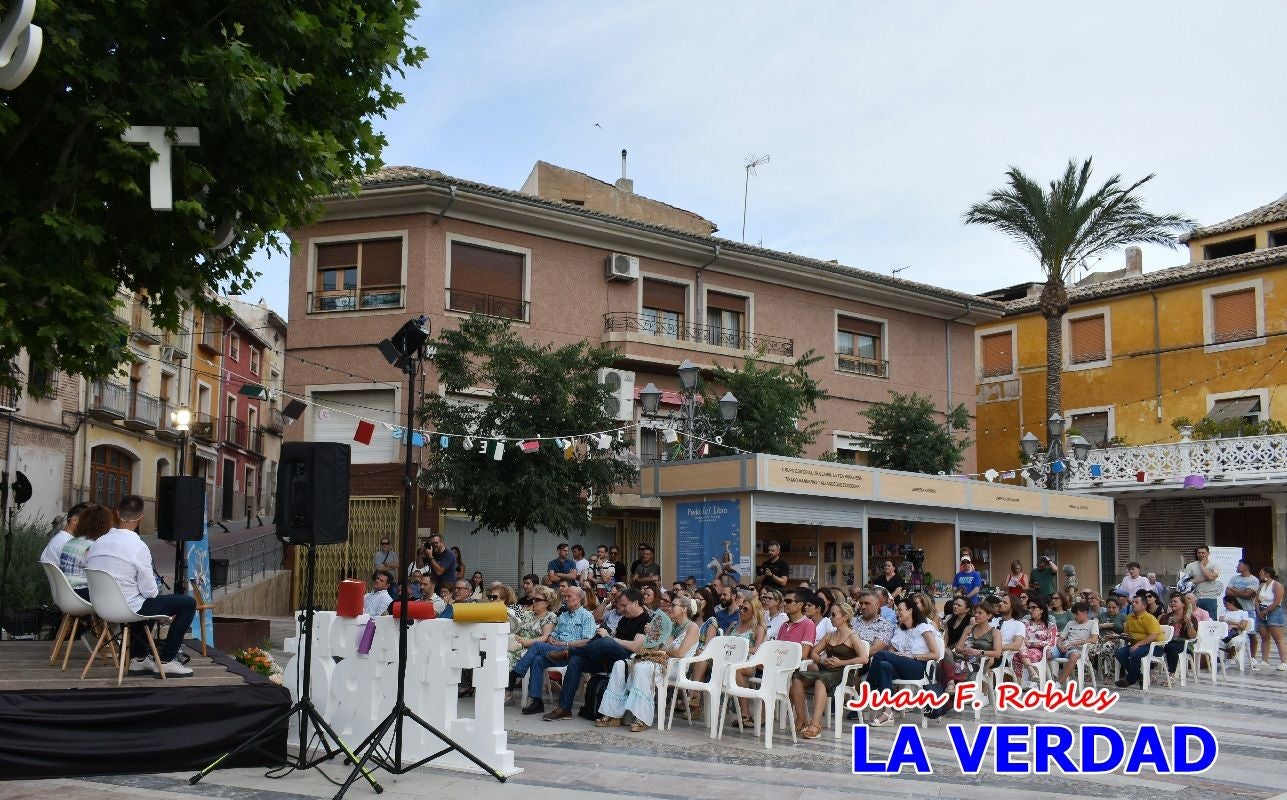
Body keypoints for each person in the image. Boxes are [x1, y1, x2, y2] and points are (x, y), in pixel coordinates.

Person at [84, 495, 195, 677]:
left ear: (118, 514)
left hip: (102, 608)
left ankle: (139, 659)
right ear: (141, 517)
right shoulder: (138, 546)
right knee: (187, 604)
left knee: (140, 601)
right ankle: (167, 661)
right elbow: (150, 591)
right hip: (129, 608)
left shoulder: (97, 543)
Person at [542, 587, 652, 722]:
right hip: (608, 659)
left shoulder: (646, 620)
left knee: (606, 641)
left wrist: (610, 639)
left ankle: (569, 652)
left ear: (636, 603)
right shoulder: (625, 619)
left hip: (627, 660)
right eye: (620, 605)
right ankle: (564, 708)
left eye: (624, 605)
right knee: (576, 660)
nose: (621, 609)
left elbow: (636, 647)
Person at [596, 594, 697, 732]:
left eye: (673, 605)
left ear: (684, 609)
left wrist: (662, 649)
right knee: (620, 664)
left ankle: (642, 717)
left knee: (643, 668)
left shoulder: (693, 627)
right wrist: (652, 636)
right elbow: (655, 648)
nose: (670, 607)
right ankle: (613, 714)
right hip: (660, 661)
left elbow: (680, 653)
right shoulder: (670, 626)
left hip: (676, 667)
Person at [510, 585, 597, 715]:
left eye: (569, 596)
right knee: (538, 660)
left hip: (572, 653)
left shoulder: (587, 616)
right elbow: (554, 634)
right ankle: (537, 701)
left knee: (538, 646)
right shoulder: (563, 616)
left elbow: (587, 641)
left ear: (579, 599)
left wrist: (564, 643)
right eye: (565, 596)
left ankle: (516, 674)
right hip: (556, 651)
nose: (565, 599)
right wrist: (551, 638)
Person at [791, 601, 866, 739]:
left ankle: (816, 724)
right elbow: (814, 653)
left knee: (821, 680)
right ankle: (802, 720)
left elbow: (864, 659)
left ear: (844, 617)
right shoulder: (829, 635)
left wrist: (841, 662)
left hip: (843, 674)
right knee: (797, 677)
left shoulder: (852, 636)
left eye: (834, 614)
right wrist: (821, 660)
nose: (830, 617)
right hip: (827, 671)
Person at [866, 598, 937, 726]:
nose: (897, 612)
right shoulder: (900, 629)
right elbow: (892, 649)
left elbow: (935, 654)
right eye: (896, 610)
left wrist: (912, 656)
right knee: (884, 665)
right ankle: (888, 713)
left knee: (881, 654)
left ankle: (868, 690)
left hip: (918, 668)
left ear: (910, 610)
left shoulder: (924, 628)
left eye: (900, 610)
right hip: (902, 666)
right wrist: (895, 654)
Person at [508, 585, 557, 697]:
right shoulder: (527, 614)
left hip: (532, 649)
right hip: (518, 645)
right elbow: (517, 631)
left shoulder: (550, 617)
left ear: (547, 603)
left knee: (509, 656)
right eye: (534, 599)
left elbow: (545, 637)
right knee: (501, 655)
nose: (534, 602)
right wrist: (517, 638)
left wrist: (526, 642)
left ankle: (508, 692)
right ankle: (499, 688)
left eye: (538, 600)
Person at [1114, 594, 1162, 688]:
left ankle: (1130, 679)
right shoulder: (1130, 617)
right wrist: (1124, 636)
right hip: (1136, 645)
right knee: (1119, 653)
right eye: (1133, 602)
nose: (1133, 604)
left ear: (1144, 606)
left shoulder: (1149, 618)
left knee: (1135, 653)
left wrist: (1138, 644)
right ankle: (1139, 676)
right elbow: (1128, 633)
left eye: (1136, 602)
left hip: (1153, 646)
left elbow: (1153, 636)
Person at [58, 503, 104, 598]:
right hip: (80, 594)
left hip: (64, 592)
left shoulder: (70, 542)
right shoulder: (91, 545)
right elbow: (99, 573)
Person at [1054, 601, 1100, 685]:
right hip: (1063, 648)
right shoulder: (1070, 623)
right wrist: (1059, 645)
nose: (1074, 616)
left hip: (1078, 650)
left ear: (1085, 613)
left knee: (1074, 655)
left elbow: (1094, 639)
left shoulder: (1093, 623)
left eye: (1077, 614)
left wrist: (1074, 643)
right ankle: (1040, 680)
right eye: (1073, 614)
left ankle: (1058, 684)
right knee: (1047, 653)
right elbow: (1060, 639)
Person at [1015, 597, 1057, 688]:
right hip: (1023, 649)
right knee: (1019, 650)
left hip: (1040, 652)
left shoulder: (1050, 625)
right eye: (1029, 608)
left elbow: (1051, 642)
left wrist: (1032, 644)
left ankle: (1023, 682)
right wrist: (1027, 643)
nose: (1030, 610)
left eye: (1033, 608)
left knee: (1020, 654)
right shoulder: (1025, 623)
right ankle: (1031, 674)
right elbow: (1020, 638)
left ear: (1041, 609)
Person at [1159, 593, 1198, 675]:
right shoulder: (1166, 617)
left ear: (1183, 604)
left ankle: (1172, 674)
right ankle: (1151, 673)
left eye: (1175, 601)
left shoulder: (1191, 618)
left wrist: (1189, 623)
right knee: (1150, 647)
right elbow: (1160, 631)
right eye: (1171, 601)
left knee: (1171, 647)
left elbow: (1193, 637)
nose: (1172, 603)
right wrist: (1167, 624)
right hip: (1166, 641)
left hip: (1183, 642)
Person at [1256, 567, 1286, 670]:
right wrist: (1259, 611)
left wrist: (1266, 611)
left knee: (1278, 638)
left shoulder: (1277, 585)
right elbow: (1257, 600)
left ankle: (1284, 662)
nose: (1259, 574)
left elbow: (1277, 602)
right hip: (1261, 612)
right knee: (1264, 638)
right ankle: (1264, 661)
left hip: (1274, 612)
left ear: (1267, 574)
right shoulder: (1261, 586)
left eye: (1261, 572)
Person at [773, 589, 816, 660]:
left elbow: (803, 654)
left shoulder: (808, 624)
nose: (784, 604)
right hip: (779, 663)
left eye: (788, 601)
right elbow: (777, 648)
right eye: (784, 601)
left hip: (794, 667)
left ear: (800, 604)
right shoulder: (784, 625)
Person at [1183, 546, 1223, 619]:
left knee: (1211, 623)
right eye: (1199, 553)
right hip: (1195, 598)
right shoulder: (1190, 566)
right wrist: (1207, 577)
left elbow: (1211, 577)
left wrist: (1201, 565)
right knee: (1194, 621)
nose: (1201, 554)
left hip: (1210, 597)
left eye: (1203, 553)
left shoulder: (1215, 564)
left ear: (1208, 553)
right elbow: (1186, 582)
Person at [425, 532, 457, 597]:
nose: (434, 545)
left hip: (447, 589)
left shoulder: (449, 555)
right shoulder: (432, 553)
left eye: (436, 543)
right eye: (432, 543)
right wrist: (423, 553)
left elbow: (439, 572)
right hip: (436, 588)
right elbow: (421, 565)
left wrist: (430, 556)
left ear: (441, 542)